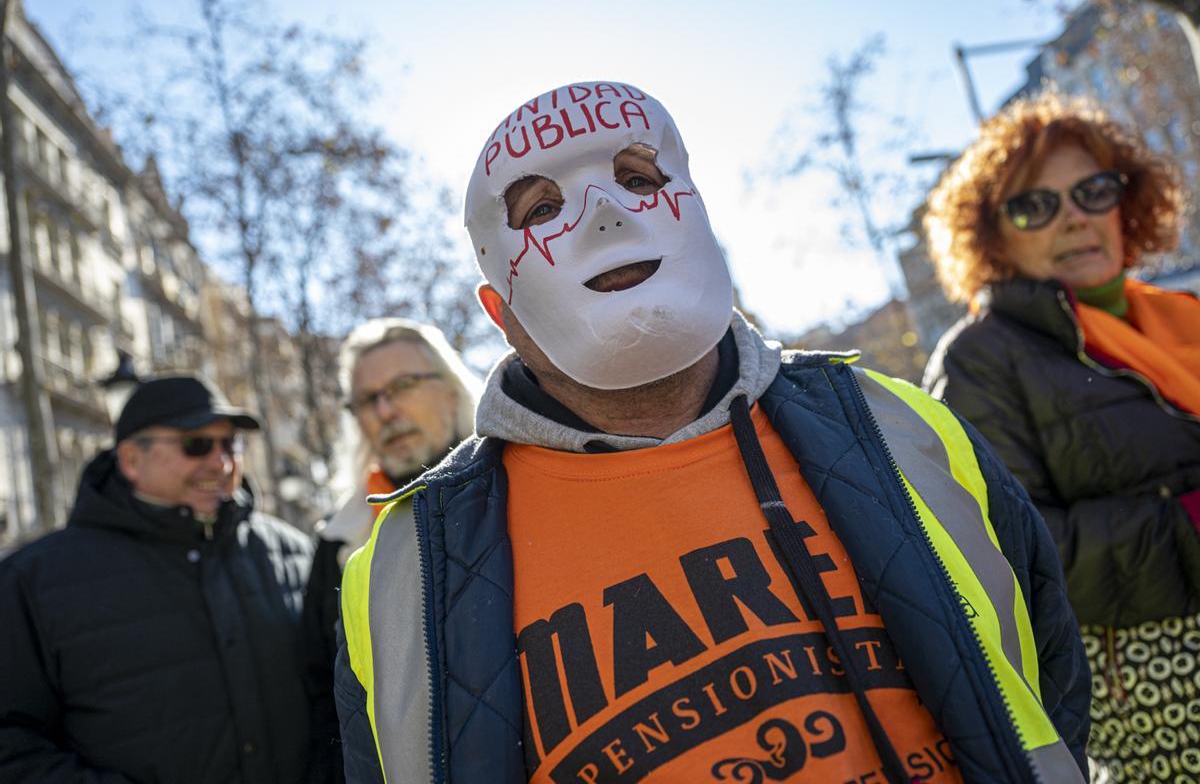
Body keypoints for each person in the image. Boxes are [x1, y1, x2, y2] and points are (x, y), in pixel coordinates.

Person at [335, 81, 1091, 784]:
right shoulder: (405, 573)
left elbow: (1047, 672)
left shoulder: (898, 425)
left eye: (638, 178)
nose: (607, 216)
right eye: (540, 211)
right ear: (500, 312)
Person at [922, 94, 1200, 782]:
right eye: (1033, 206)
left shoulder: (1182, 314)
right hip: (1158, 688)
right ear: (992, 235)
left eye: (1091, 190)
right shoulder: (979, 359)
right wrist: (1188, 524)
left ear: (1125, 201)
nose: (1073, 216)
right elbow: (1007, 560)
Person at [0, 375, 314, 783]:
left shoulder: (295, 553)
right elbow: (12, 745)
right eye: (196, 444)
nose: (221, 463)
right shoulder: (33, 580)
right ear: (131, 460)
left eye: (231, 444)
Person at [301, 318, 480, 782]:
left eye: (402, 385)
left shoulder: (525, 486)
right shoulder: (338, 544)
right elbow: (322, 704)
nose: (385, 410)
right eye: (367, 399)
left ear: (449, 387)